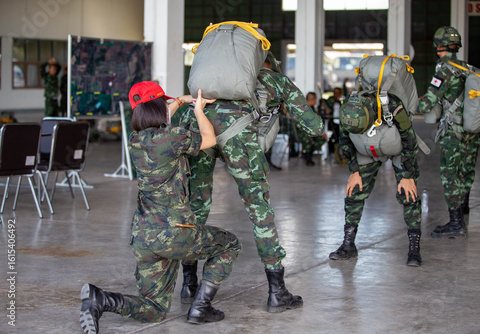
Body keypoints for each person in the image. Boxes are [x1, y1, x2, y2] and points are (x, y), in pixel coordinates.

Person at [79, 82, 241, 334]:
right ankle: (201, 307)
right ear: (157, 108)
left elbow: (162, 115)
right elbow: (209, 139)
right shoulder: (172, 137)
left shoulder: (135, 140)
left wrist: (181, 100)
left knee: (154, 309)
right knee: (230, 244)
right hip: (176, 233)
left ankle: (101, 299)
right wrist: (198, 110)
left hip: (144, 237)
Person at [179, 53, 324, 313]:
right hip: (239, 140)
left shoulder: (215, 76)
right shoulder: (276, 80)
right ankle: (277, 293)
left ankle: (189, 284)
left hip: (198, 130)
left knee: (195, 207)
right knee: (260, 213)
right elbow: (312, 126)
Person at [329, 91, 422, 266]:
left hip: (398, 149)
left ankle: (414, 248)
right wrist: (354, 171)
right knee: (354, 192)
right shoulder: (348, 110)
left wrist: (407, 175)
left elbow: (410, 139)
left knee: (409, 194)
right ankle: (348, 244)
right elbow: (344, 140)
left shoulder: (393, 106)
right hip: (367, 149)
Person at [418, 26, 470, 238]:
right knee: (461, 172)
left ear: (438, 45)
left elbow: (429, 101)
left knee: (449, 175)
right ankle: (459, 217)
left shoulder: (444, 68)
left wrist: (405, 106)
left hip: (453, 130)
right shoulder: (465, 66)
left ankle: (456, 223)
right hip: (468, 128)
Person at [295, 91, 327, 166]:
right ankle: (308, 157)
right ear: (312, 100)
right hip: (302, 132)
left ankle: (308, 153)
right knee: (309, 140)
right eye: (315, 100)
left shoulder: (311, 108)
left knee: (321, 139)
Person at [325, 87, 347, 163]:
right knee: (336, 138)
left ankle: (338, 154)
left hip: (338, 122)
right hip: (334, 122)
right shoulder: (332, 100)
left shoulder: (338, 101)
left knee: (338, 137)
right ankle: (336, 154)